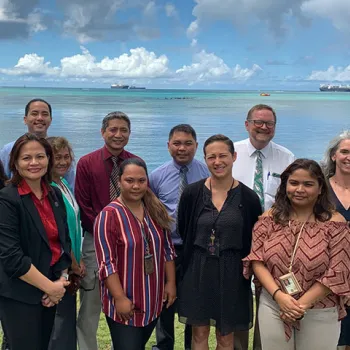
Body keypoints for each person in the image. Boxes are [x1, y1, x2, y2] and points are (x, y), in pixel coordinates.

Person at [243, 159, 350, 350]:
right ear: (285, 186)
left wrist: (300, 305)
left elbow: (338, 271)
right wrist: (279, 297)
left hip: (320, 309)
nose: (300, 189)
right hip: (274, 306)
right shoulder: (269, 219)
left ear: (320, 189)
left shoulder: (336, 223)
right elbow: (256, 260)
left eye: (308, 184)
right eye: (294, 183)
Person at [177, 134, 262, 350]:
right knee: (199, 332)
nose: (217, 162)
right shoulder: (192, 193)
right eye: (211, 157)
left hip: (232, 270)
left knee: (226, 336)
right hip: (198, 267)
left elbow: (254, 237)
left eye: (223, 155)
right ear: (204, 160)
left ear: (233, 157)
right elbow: (184, 229)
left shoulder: (249, 198)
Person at [94, 158, 176, 350]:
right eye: (129, 180)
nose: (136, 186)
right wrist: (120, 298)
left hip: (153, 300)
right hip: (126, 303)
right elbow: (107, 263)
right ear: (119, 181)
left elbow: (167, 250)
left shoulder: (154, 211)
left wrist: (170, 282)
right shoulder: (109, 215)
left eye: (141, 181)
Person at [75, 111, 141, 350]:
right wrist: (107, 234)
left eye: (123, 130)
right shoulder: (87, 163)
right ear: (103, 132)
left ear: (129, 134)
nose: (118, 134)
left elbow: (141, 202)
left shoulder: (135, 162)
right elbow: (84, 206)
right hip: (95, 242)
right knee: (90, 304)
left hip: (128, 243)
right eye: (113, 129)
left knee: (125, 297)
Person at [0, 133, 72, 350]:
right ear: (15, 163)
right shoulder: (7, 199)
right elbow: (12, 257)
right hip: (20, 295)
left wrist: (61, 279)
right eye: (26, 158)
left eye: (40, 156)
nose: (34, 163)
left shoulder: (55, 195)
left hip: (50, 292)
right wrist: (50, 287)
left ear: (48, 159)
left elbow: (64, 243)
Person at [232, 104, 295, 350]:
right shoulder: (232, 153)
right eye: (258, 122)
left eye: (269, 124)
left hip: (273, 242)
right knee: (238, 303)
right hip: (237, 237)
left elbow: (291, 199)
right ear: (247, 124)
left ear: (275, 129)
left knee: (269, 298)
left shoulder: (287, 157)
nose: (263, 127)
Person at [150, 124, 209, 350]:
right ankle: (164, 345)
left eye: (187, 143)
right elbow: (151, 214)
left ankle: (190, 346)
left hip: (196, 249)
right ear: (168, 146)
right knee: (165, 300)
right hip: (168, 249)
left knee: (193, 302)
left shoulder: (206, 174)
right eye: (177, 143)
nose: (182, 148)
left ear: (196, 146)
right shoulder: (156, 176)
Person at [47, 137, 84, 350]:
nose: (62, 162)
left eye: (66, 157)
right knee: (59, 324)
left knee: (67, 320)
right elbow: (57, 233)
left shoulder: (64, 183)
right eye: (56, 157)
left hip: (72, 264)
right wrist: (73, 262)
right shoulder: (50, 189)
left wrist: (78, 259)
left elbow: (74, 227)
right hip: (60, 267)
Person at [0, 98, 75, 189]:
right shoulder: (9, 149)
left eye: (45, 114)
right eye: (34, 114)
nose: (40, 118)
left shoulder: (60, 149)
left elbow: (70, 184)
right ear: (25, 119)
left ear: (50, 120)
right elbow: (3, 181)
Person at [322, 130, 350, 350]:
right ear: (334, 155)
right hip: (327, 273)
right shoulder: (320, 190)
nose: (349, 157)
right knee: (332, 339)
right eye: (344, 151)